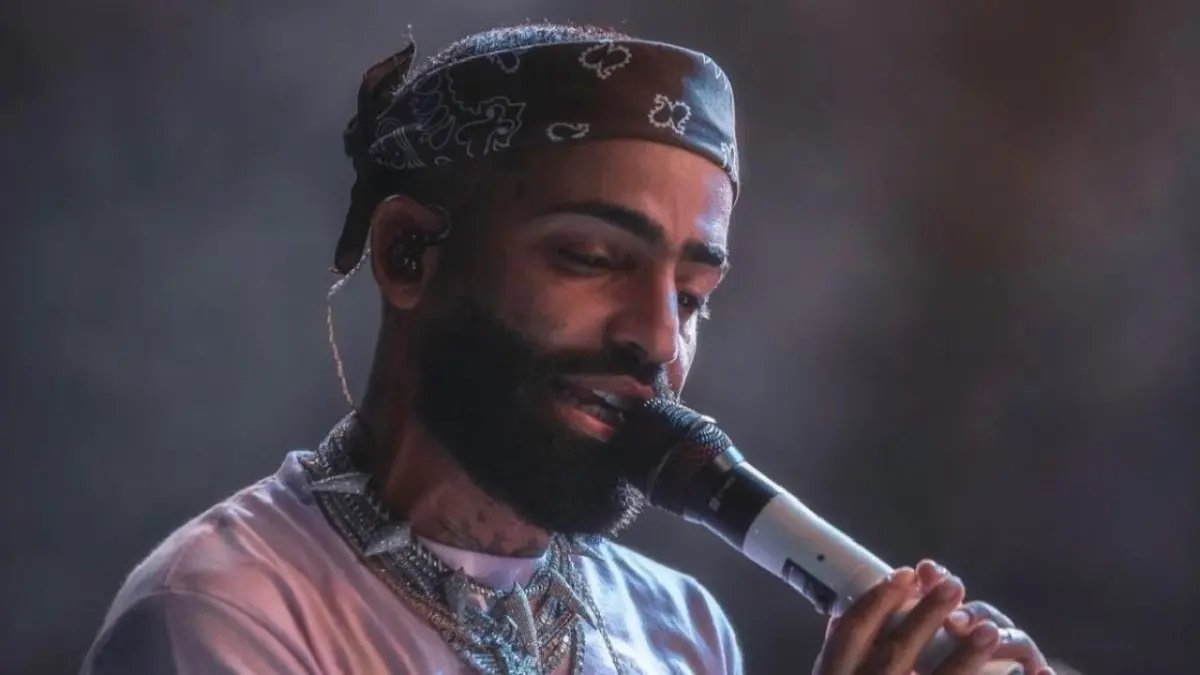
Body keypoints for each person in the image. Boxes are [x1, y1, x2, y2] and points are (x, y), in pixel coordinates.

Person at [81, 22, 1053, 675]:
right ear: (408, 253)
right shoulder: (225, 612)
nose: (658, 337)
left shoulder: (682, 629)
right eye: (592, 258)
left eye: (692, 295)